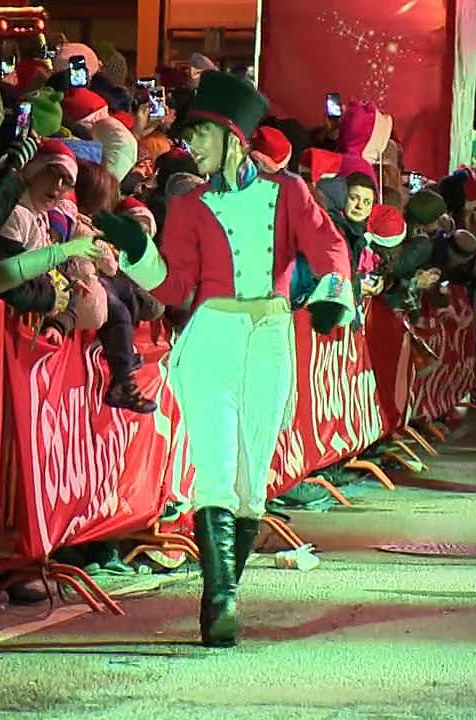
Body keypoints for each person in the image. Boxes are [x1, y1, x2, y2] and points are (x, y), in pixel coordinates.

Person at [95, 72, 354, 648]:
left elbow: (329, 246)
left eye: (201, 134)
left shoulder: (287, 192)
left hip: (269, 337)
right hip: (212, 335)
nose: (193, 146)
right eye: (188, 135)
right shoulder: (188, 205)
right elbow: (175, 287)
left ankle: (225, 590)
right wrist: (136, 251)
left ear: (234, 137)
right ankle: (220, 599)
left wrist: (336, 293)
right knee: (214, 465)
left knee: (250, 478)